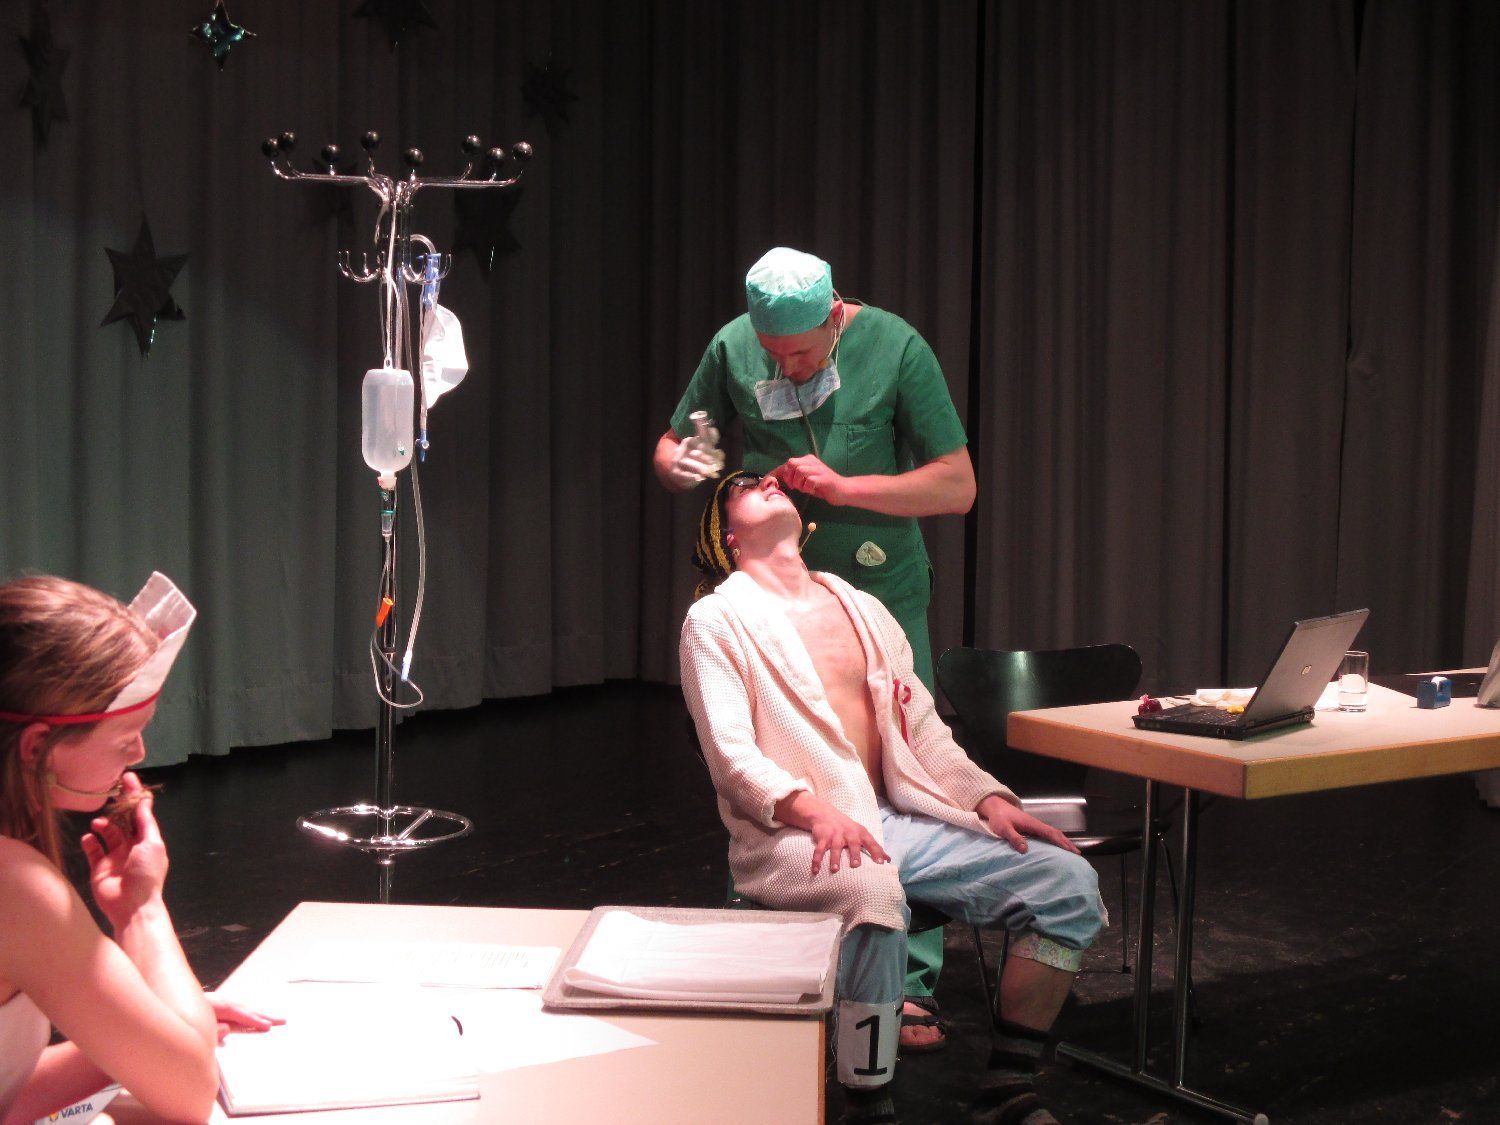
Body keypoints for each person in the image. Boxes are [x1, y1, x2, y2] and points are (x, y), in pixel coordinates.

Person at [680, 473, 1105, 1125]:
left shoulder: (863, 609)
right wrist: (814, 810)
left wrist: (987, 798)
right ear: (728, 535)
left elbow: (923, 730)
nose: (767, 481)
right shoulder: (716, 620)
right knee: (873, 891)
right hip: (791, 833)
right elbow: (730, 755)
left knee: (1067, 883)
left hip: (896, 820)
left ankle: (1007, 1086)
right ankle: (869, 1102)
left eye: (768, 479)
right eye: (744, 486)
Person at [656, 246, 976, 1047]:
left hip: (874, 585)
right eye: (773, 354)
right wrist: (689, 462)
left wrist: (843, 488)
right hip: (772, 595)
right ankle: (787, 955)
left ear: (835, 317)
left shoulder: (894, 347)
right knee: (777, 766)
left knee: (894, 764)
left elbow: (956, 484)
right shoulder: (736, 347)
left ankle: (907, 980)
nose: (786, 367)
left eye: (801, 353)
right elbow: (675, 446)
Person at [0, 573, 275, 1123]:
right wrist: (140, 910)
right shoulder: (16, 884)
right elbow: (190, 1093)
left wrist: (133, 1034)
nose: (139, 753)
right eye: (126, 738)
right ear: (36, 746)